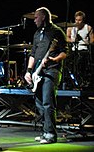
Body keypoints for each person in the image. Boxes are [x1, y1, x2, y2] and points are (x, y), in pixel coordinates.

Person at [24, 7, 68, 144]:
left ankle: (51, 134)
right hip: (38, 72)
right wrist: (29, 71)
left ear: (43, 17)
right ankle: (45, 132)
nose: (34, 20)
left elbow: (65, 52)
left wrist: (54, 60)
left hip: (52, 70)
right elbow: (33, 54)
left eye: (36, 17)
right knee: (39, 103)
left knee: (48, 102)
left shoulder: (56, 32)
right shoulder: (37, 33)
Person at [66, 11, 93, 87]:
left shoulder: (88, 28)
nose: (77, 22)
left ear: (83, 20)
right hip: (73, 50)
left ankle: (82, 82)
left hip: (83, 50)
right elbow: (66, 38)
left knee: (80, 63)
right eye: (76, 20)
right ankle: (73, 82)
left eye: (80, 20)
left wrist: (85, 41)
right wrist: (73, 40)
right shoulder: (71, 28)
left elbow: (92, 41)